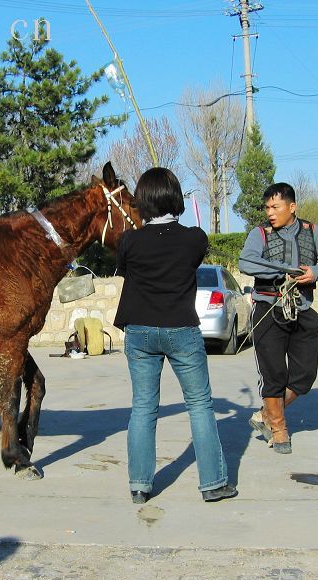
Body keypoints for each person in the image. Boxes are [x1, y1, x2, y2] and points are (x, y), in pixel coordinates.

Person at [114, 167, 237, 504]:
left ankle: (140, 485)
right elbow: (190, 253)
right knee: (199, 405)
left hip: (138, 330)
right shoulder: (194, 238)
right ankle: (212, 484)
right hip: (181, 329)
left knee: (143, 407)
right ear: (175, 197)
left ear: (142, 201)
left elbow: (125, 267)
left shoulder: (129, 240)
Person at [239, 182, 318, 454]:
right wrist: (282, 271)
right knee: (273, 374)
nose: (270, 212)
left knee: (305, 375)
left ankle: (266, 413)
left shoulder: (312, 231)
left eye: (276, 207)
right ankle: (279, 429)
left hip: (302, 308)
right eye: (267, 208)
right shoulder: (259, 234)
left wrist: (315, 273)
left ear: (292, 207)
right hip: (268, 309)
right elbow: (246, 262)